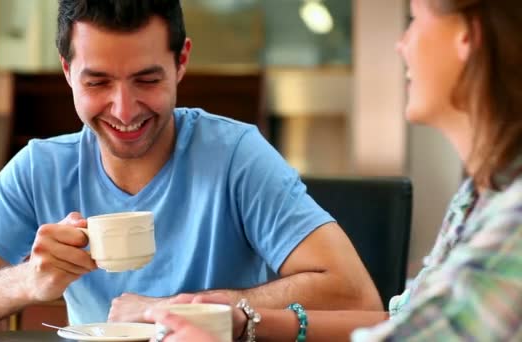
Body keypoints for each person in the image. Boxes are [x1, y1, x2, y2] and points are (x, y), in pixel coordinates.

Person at [0, 0, 382, 329]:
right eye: (97, 82)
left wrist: (192, 310)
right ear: (67, 72)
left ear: (181, 62)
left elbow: (356, 294)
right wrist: (28, 280)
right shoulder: (40, 169)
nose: (123, 109)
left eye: (146, 79)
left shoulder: (236, 155)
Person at [145, 0, 522, 340]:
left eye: (414, 20)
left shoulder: (514, 219)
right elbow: (403, 319)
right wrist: (244, 320)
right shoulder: (477, 196)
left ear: (465, 38)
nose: (401, 44)